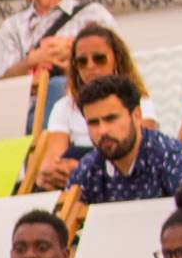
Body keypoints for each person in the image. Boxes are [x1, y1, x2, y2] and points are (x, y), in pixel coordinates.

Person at [0, 0, 115, 116]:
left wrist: (75, 54)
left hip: (89, 107)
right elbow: (2, 85)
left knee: (58, 85)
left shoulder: (93, 15)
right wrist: (33, 59)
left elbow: (121, 62)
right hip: (32, 114)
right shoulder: (12, 27)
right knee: (55, 87)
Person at [37, 24, 159, 190]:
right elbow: (53, 162)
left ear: (117, 60)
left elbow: (142, 153)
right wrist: (59, 171)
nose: (90, 66)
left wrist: (85, 169)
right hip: (74, 187)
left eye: (99, 59)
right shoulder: (64, 107)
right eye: (82, 62)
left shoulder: (139, 103)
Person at [66, 74, 182, 205]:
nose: (103, 131)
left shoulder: (171, 156)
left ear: (137, 116)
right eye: (93, 123)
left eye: (111, 119)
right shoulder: (88, 169)